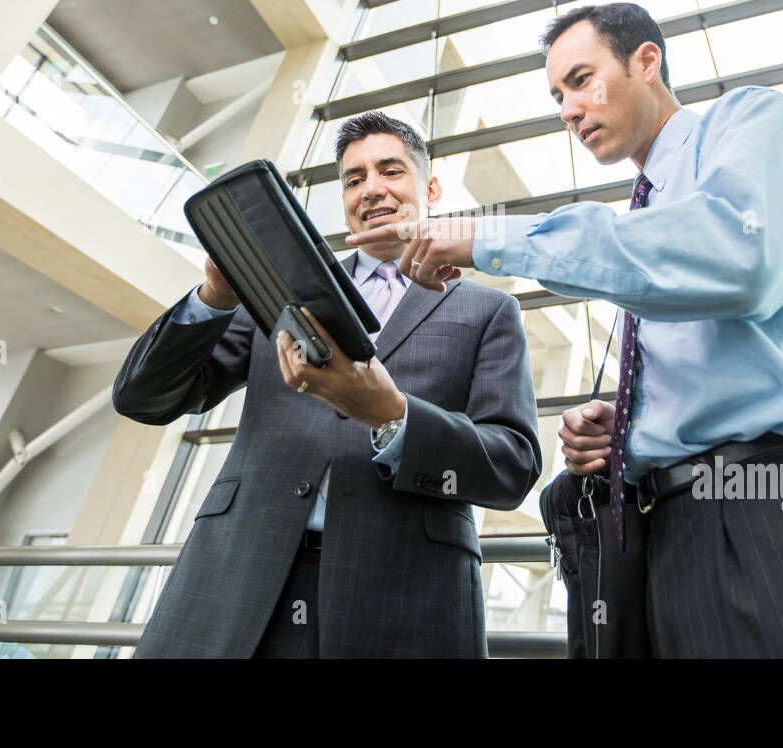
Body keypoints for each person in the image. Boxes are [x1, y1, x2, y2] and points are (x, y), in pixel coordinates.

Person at [347, 2, 783, 658]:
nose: (568, 109)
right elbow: (716, 342)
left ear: (647, 61)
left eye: (580, 80)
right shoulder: (647, 217)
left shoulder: (753, 120)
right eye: (555, 96)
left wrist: (489, 236)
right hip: (684, 543)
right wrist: (630, 424)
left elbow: (740, 259)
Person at [113, 111, 542, 657]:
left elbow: (511, 466)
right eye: (354, 178)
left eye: (391, 171)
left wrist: (395, 416)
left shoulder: (489, 310)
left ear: (430, 187)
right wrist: (217, 294)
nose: (372, 190)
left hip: (400, 593)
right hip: (238, 575)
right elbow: (146, 398)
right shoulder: (277, 287)